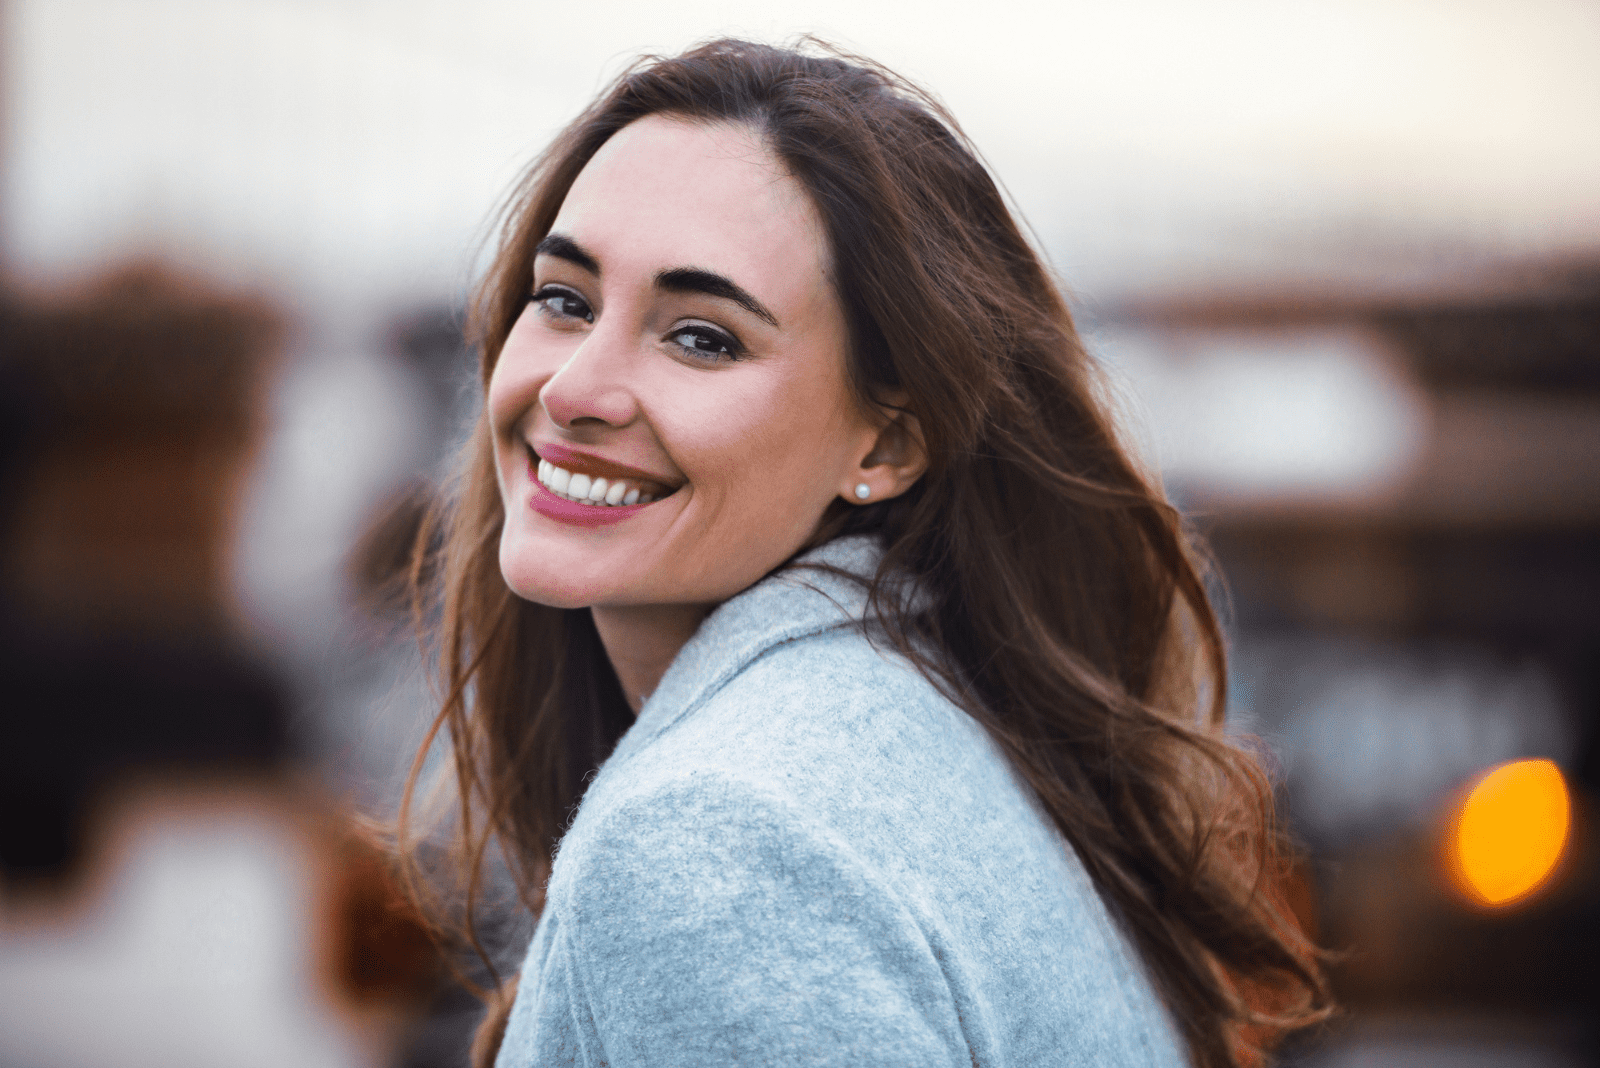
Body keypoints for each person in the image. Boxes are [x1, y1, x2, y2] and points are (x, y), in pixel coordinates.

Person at [398, 38, 1330, 1068]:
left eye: (701, 336)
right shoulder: (940, 735)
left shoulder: (718, 844)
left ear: (885, 442)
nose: (573, 389)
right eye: (564, 299)